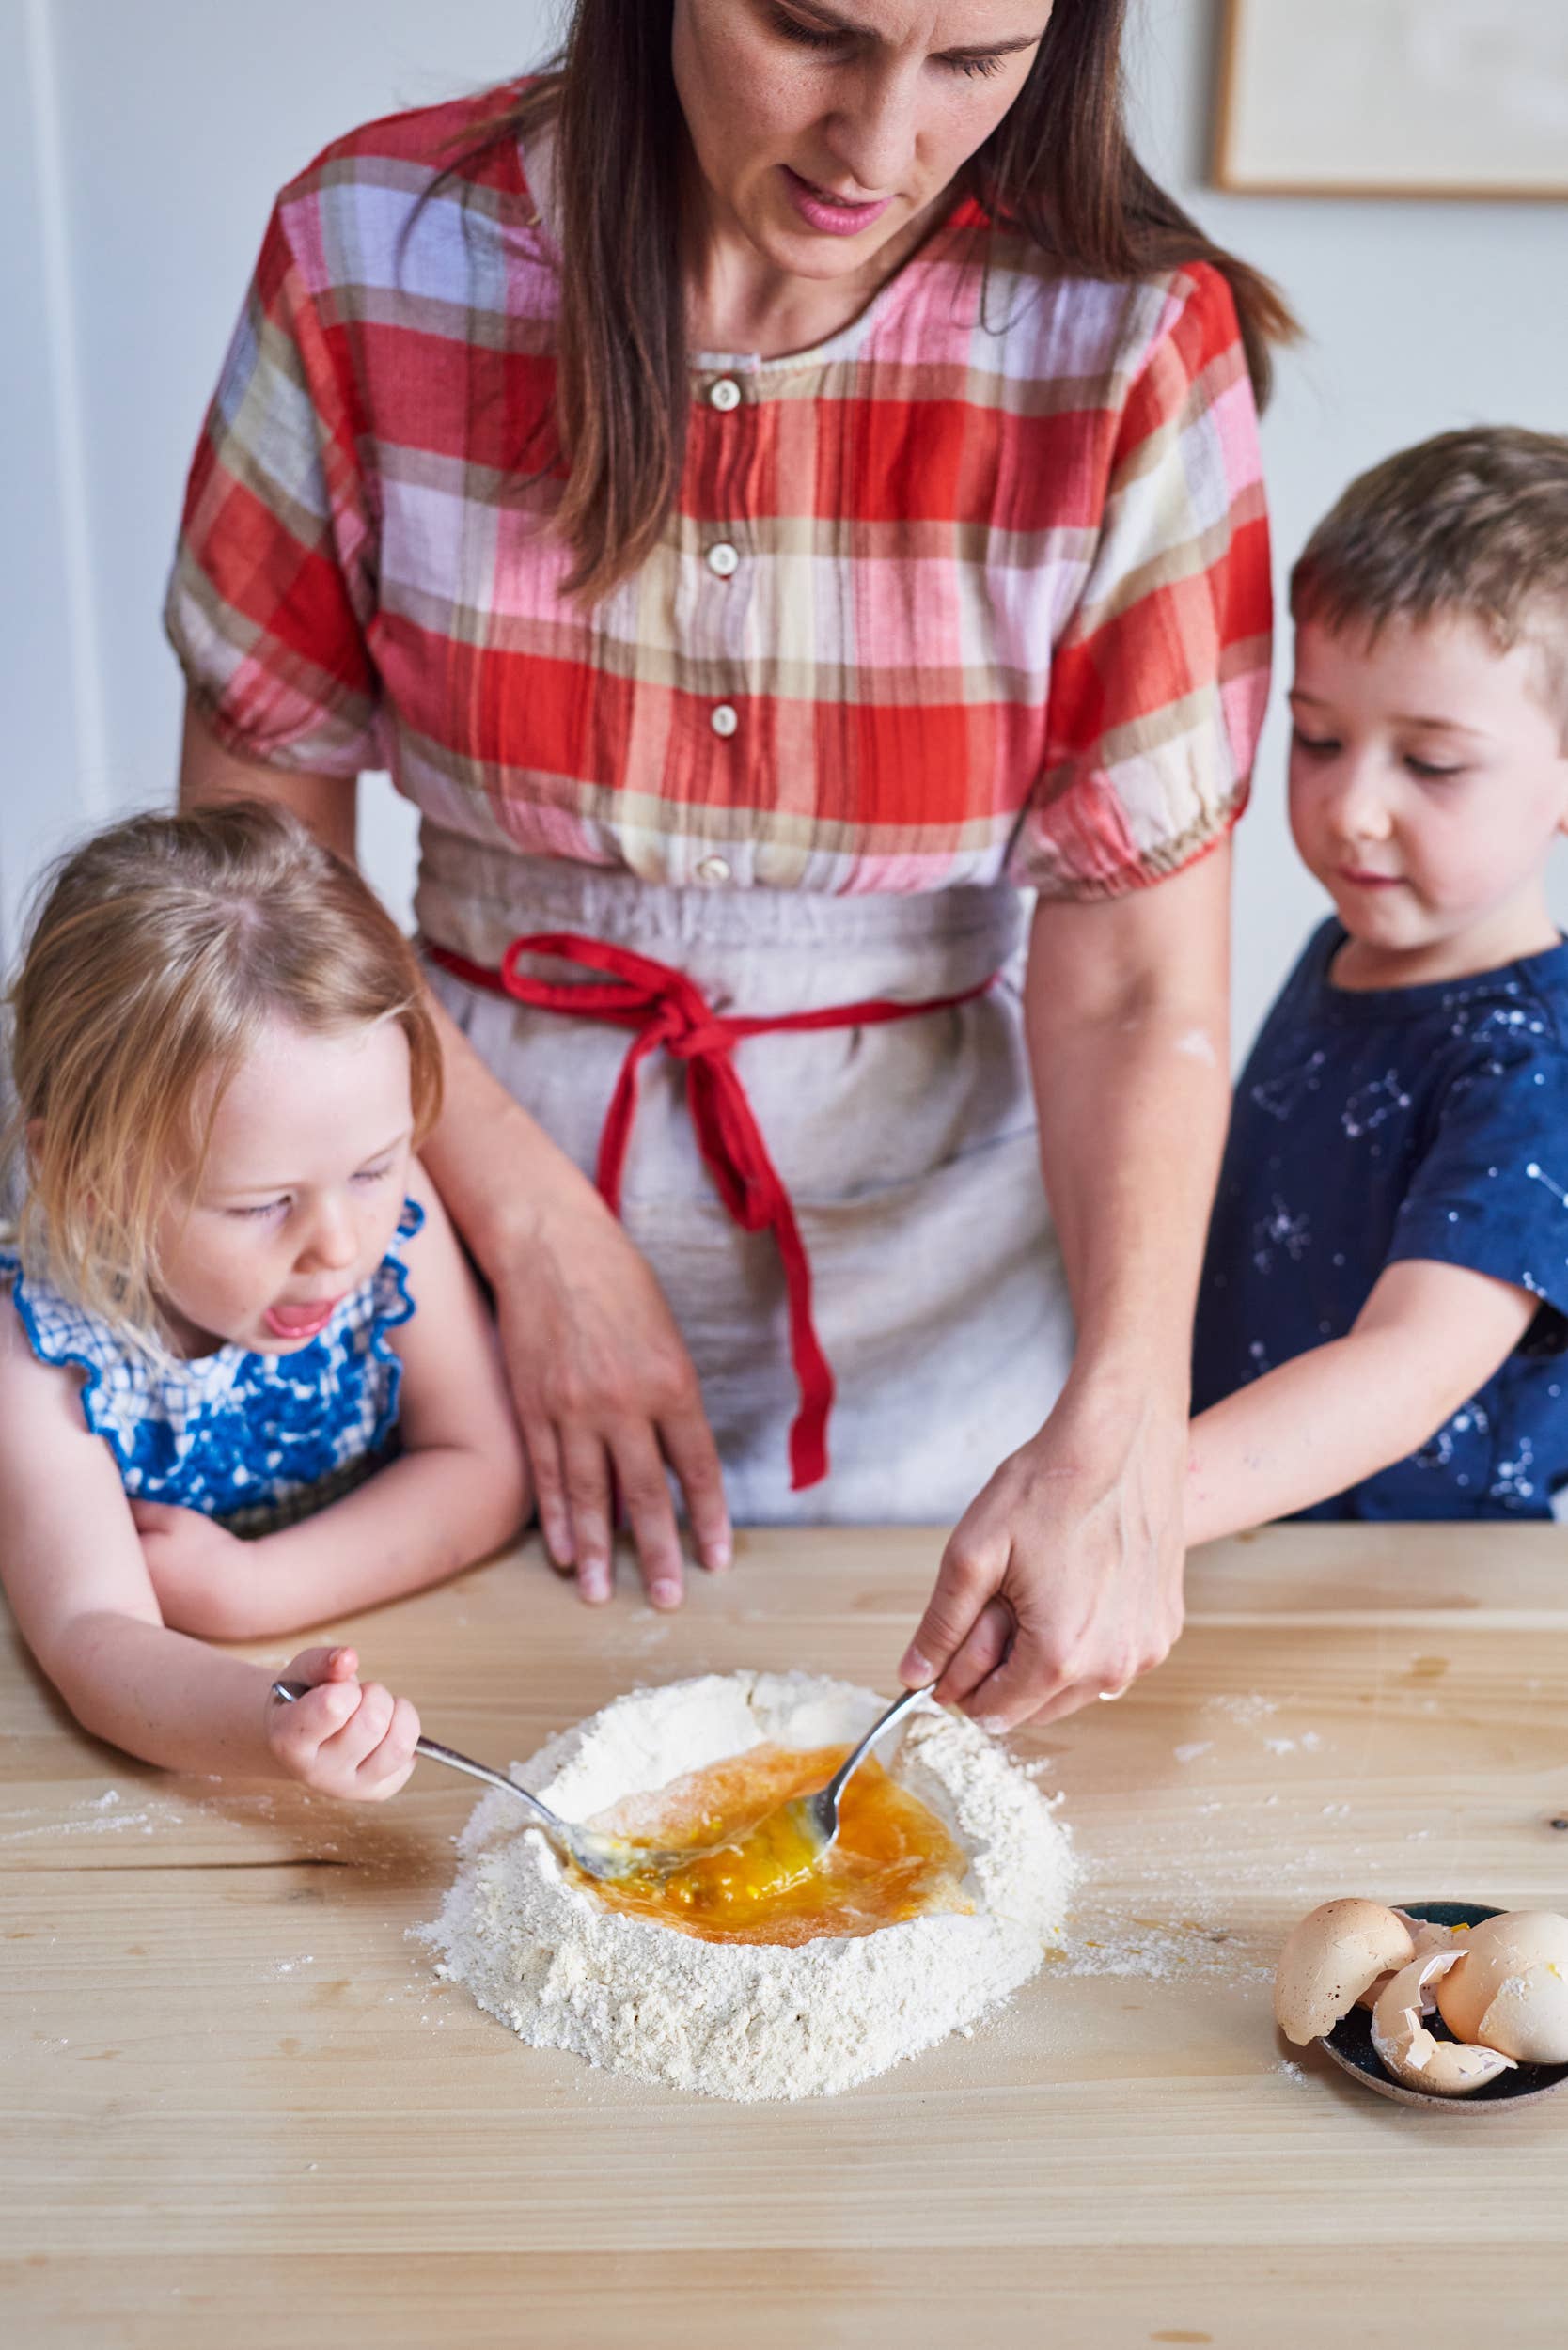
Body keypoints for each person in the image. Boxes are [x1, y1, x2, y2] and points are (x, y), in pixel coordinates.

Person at [165, 0, 1294, 1729]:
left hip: (948, 1329)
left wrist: (1123, 1431)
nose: (877, 143)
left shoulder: (1131, 343)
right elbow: (258, 865)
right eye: (811, 33)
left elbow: (1139, 988)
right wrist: (531, 1233)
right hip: (444, 1258)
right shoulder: (370, 255)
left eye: (973, 64)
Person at [0, 806, 528, 1797]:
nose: (339, 1244)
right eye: (262, 1204)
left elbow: (487, 1471)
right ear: (85, 1176)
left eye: (375, 1169)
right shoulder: (41, 1355)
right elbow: (91, 1636)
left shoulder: (392, 1222)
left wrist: (259, 1586)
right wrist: (264, 1723)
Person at [1187, 428, 1568, 1534]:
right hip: (1252, 1548)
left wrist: (1132, 1502)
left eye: (1431, 763)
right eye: (1316, 738)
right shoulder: (1337, 950)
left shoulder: (1536, 1058)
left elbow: (1412, 1364)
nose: (1351, 807)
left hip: (1416, 1597)